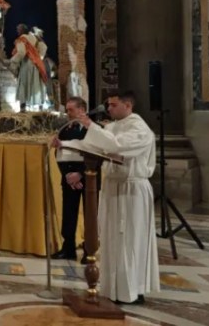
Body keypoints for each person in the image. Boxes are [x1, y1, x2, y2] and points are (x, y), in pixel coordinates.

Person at [53, 91, 159, 304]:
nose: (108, 109)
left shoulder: (139, 128)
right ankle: (113, 288)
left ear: (127, 105)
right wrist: (64, 145)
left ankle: (132, 291)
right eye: (108, 105)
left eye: (113, 105)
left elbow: (117, 146)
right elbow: (93, 145)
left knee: (129, 239)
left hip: (131, 190)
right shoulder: (114, 127)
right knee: (113, 238)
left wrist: (91, 125)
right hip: (113, 188)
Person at [51, 96, 95, 262]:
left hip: (89, 179)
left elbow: (96, 155)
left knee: (90, 215)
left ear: (82, 110)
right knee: (68, 213)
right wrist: (68, 175)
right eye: (67, 110)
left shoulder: (92, 129)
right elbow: (59, 154)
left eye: (71, 110)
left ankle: (89, 250)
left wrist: (80, 174)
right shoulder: (65, 129)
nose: (67, 113)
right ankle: (68, 248)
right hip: (69, 178)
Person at [8, 23, 50, 111]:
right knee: (36, 83)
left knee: (23, 82)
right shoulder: (35, 38)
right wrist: (38, 58)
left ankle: (23, 107)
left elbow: (21, 52)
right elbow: (44, 47)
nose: (17, 31)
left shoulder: (22, 39)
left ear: (22, 30)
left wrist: (13, 61)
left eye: (18, 29)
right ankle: (40, 107)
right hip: (36, 64)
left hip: (26, 64)